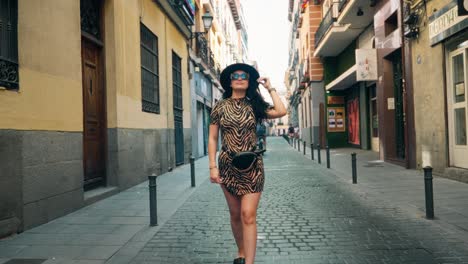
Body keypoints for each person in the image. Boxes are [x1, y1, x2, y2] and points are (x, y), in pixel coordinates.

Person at [208, 63, 287, 264]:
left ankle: (249, 262)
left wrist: (270, 87)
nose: (240, 77)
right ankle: (241, 251)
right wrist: (212, 167)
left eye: (244, 75)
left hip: (252, 166)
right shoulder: (220, 106)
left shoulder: (255, 105)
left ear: (249, 80)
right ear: (230, 80)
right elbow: (212, 138)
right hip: (227, 165)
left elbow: (281, 111)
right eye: (236, 75)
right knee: (235, 215)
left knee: (248, 214)